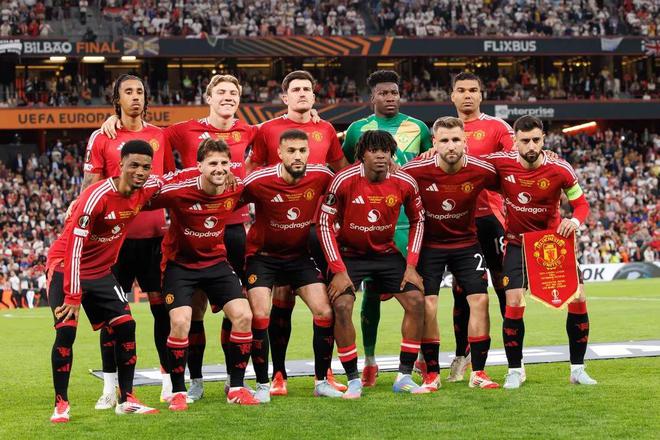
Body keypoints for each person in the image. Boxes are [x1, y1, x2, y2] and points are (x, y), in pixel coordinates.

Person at [100, 74, 257, 400]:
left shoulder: (246, 145)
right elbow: (146, 145)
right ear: (208, 97)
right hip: (179, 255)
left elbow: (276, 148)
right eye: (221, 91)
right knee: (186, 316)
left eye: (233, 92)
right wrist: (117, 120)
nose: (227, 97)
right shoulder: (178, 148)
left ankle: (236, 384)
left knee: (243, 313)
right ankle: (185, 384)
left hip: (228, 240)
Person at [47, 140, 183, 422]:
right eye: (133, 165)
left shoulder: (147, 187)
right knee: (66, 332)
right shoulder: (96, 197)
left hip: (100, 271)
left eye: (145, 167)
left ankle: (127, 399)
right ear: (120, 165)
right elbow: (74, 247)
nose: (140, 171)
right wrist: (73, 295)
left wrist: (216, 173)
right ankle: (61, 404)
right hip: (66, 267)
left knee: (126, 325)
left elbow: (174, 177)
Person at [245, 70, 349, 395]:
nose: (302, 93)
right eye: (296, 89)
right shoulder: (267, 129)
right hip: (274, 232)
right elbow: (251, 173)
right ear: (285, 96)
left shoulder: (325, 129)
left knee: (325, 307)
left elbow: (342, 173)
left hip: (315, 233)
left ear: (314, 97)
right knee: (280, 303)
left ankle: (324, 375)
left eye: (307, 89)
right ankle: (276, 375)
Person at [83, 74, 175, 407]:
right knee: (112, 317)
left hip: (154, 239)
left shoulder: (159, 135)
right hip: (113, 242)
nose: (136, 96)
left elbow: (167, 183)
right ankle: (109, 388)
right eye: (128, 92)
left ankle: (169, 381)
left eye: (140, 91)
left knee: (162, 312)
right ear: (116, 99)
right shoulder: (102, 136)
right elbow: (90, 186)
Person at [484, 115, 596, 389]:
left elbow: (582, 205)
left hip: (552, 243)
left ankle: (578, 369)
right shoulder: (500, 163)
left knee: (579, 298)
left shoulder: (560, 168)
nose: (531, 146)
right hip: (517, 243)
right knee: (513, 302)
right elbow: (468, 164)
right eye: (525, 141)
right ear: (515, 141)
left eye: (536, 140)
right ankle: (515, 370)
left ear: (544, 139)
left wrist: (575, 221)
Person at [147, 138, 258, 409]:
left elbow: (261, 188)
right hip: (180, 265)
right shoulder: (179, 190)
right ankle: (178, 391)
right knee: (181, 321)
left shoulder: (235, 188)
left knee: (244, 315)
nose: (219, 168)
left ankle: (236, 387)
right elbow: (143, 196)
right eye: (212, 163)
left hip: (215, 262)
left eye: (224, 163)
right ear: (199, 166)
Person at [318, 130, 426, 399]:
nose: (380, 156)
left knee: (416, 301)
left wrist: (411, 265)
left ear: (391, 154)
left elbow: (418, 220)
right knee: (342, 305)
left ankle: (404, 376)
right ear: (361, 155)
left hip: (386, 253)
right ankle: (353, 380)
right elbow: (324, 224)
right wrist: (338, 270)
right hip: (349, 255)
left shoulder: (404, 181)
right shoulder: (343, 180)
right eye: (374, 150)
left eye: (385, 151)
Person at [341, 70, 432, 386]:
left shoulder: (419, 128)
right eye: (383, 93)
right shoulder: (357, 129)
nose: (390, 98)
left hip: (408, 223)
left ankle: (420, 359)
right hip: (372, 222)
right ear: (372, 97)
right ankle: (369, 360)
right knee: (370, 293)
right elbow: (350, 169)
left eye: (394, 92)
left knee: (417, 291)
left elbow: (428, 164)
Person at [402, 116, 500, 391]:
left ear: (465, 142)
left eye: (456, 139)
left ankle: (478, 372)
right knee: (428, 305)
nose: (451, 145)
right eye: (444, 140)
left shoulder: (481, 169)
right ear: (434, 143)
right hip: (430, 246)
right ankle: (431, 373)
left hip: (467, 244)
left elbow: (512, 180)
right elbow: (391, 185)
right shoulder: (416, 169)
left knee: (480, 300)